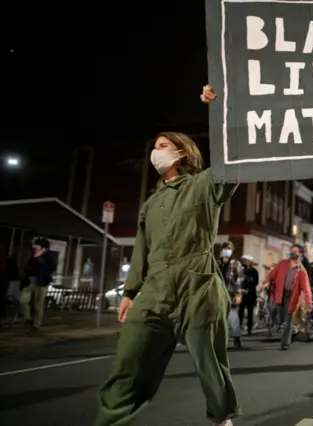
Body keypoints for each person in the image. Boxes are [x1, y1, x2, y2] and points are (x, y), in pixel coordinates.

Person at [95, 85, 239, 426]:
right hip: (155, 290)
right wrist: (130, 292)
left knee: (211, 366)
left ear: (182, 154)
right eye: (155, 146)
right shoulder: (151, 203)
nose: (155, 152)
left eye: (163, 146)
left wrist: (217, 110)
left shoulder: (203, 186)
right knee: (128, 365)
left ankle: (222, 418)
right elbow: (141, 250)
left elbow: (233, 159)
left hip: (198, 287)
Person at [263, 244, 312, 350]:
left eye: (295, 251)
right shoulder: (282, 264)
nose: (293, 253)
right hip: (280, 294)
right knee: (275, 314)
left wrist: (309, 303)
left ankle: (285, 343)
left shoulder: (302, 271)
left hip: (292, 297)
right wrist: (267, 282)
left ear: (300, 254)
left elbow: (306, 288)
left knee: (288, 320)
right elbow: (272, 274)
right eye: (292, 250)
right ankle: (294, 331)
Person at [19, 237, 56, 331]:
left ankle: (36, 324)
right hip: (29, 282)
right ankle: (28, 319)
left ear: (42, 246)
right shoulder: (33, 253)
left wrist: (39, 258)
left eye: (36, 244)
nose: (34, 246)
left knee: (38, 305)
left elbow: (51, 267)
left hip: (41, 282)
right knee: (23, 301)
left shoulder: (49, 255)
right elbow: (29, 265)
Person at [218, 242, 243, 349]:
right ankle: (219, 340)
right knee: (218, 318)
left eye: (228, 248)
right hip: (218, 294)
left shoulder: (235, 263)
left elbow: (239, 280)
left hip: (231, 293)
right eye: (224, 248)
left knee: (233, 317)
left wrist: (238, 294)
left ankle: (236, 338)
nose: (226, 250)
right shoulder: (217, 262)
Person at [238, 255, 259, 335]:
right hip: (241, 293)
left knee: (250, 312)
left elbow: (256, 282)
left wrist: (248, 289)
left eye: (246, 260)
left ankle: (249, 328)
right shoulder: (240, 270)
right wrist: (241, 289)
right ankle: (239, 327)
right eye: (244, 260)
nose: (245, 262)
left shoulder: (254, 271)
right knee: (240, 311)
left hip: (251, 294)